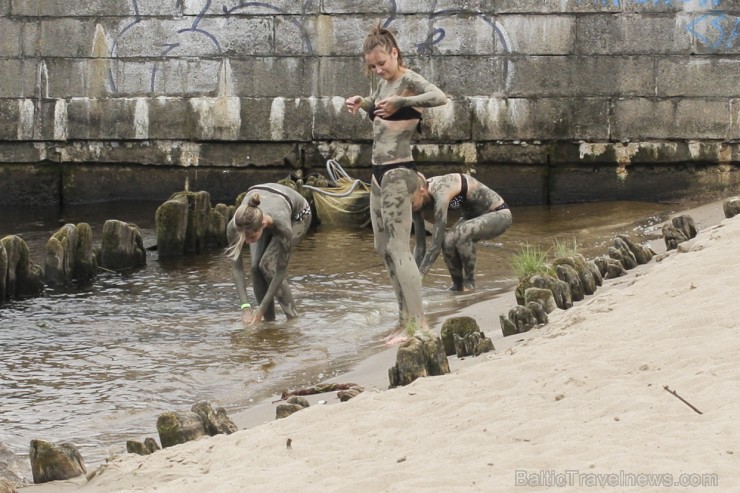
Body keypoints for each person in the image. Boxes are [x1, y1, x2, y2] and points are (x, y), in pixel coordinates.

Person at [344, 23, 448, 344]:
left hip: (399, 172)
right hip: (376, 174)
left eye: (382, 63)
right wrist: (363, 103)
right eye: (372, 66)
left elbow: (439, 96)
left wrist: (403, 102)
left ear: (394, 53)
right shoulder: (382, 87)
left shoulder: (408, 80)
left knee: (398, 247)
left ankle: (419, 324)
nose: (378, 70)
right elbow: (379, 118)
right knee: (382, 247)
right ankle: (403, 320)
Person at [226, 183, 312, 326]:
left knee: (267, 266)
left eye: (251, 238)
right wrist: (245, 307)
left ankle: (293, 320)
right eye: (243, 238)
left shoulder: (283, 226)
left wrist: (261, 308)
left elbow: (280, 271)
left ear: (263, 226)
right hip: (266, 204)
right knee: (255, 268)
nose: (246, 242)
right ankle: (268, 323)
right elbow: (237, 268)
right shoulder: (235, 226)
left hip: (298, 216)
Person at [412, 172, 512, 292]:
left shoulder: (441, 193)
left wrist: (420, 276)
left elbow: (435, 246)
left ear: (422, 191)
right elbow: (420, 247)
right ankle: (458, 286)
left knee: (461, 234)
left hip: (499, 214)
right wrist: (411, 279)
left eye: (411, 202)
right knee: (447, 241)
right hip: (471, 218)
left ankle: (469, 283)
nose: (408, 206)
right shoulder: (416, 203)